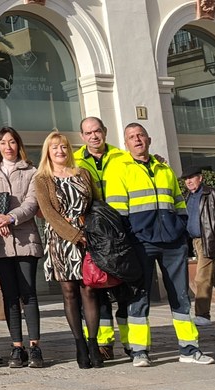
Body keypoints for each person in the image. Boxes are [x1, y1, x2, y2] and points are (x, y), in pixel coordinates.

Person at [106, 123, 215, 367]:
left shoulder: (164, 168)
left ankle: (189, 348)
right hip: (140, 243)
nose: (137, 140)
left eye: (140, 135)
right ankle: (139, 351)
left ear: (149, 138)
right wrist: (130, 240)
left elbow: (179, 204)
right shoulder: (118, 169)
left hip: (172, 243)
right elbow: (117, 213)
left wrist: (179, 230)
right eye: (132, 137)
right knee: (139, 296)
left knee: (180, 296)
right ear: (126, 144)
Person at [0, 126, 43, 369]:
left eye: (12, 142)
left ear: (18, 144)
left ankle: (35, 347)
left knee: (29, 294)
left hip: (26, 239)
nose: (8, 147)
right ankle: (17, 348)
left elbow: (32, 202)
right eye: (3, 142)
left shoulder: (32, 170)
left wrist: (10, 218)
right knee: (9, 296)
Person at [35, 132, 103, 369]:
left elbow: (97, 203)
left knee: (89, 290)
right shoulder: (42, 178)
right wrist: (74, 235)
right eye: (55, 148)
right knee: (69, 292)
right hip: (61, 239)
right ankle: (79, 344)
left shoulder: (82, 173)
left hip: (87, 236)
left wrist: (88, 231)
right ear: (48, 152)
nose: (60, 151)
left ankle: (93, 343)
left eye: (63, 147)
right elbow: (49, 214)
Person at [73, 116, 130, 360]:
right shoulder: (74, 161)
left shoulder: (121, 156)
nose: (94, 136)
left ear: (105, 132)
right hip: (93, 234)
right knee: (97, 288)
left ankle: (131, 342)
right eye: (88, 133)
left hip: (121, 231)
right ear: (82, 137)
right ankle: (104, 343)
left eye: (97, 131)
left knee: (125, 291)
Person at [181, 166, 215, 326]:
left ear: (200, 178)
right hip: (195, 242)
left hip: (208, 240)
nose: (189, 181)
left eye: (192, 177)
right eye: (186, 179)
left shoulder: (212, 194)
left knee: (202, 277)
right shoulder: (188, 197)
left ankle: (202, 315)